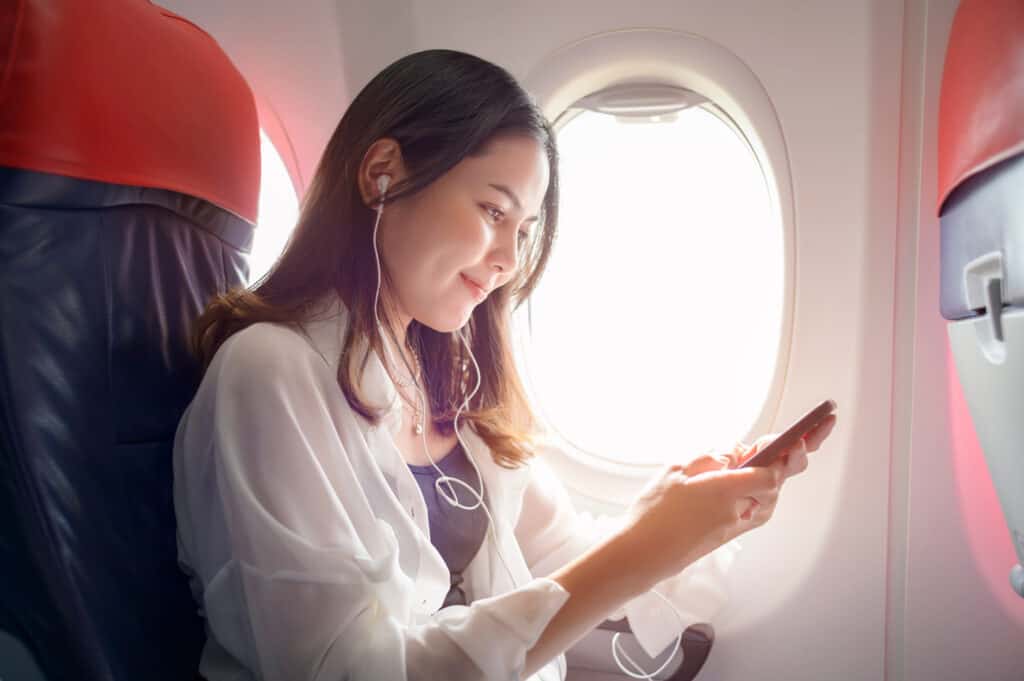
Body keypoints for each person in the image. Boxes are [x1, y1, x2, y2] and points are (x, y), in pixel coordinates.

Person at [172, 48, 836, 681]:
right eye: (493, 210)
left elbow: (563, 552)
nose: (511, 261)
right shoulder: (267, 373)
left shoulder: (444, 377)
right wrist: (645, 548)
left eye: (522, 230)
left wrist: (687, 516)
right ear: (383, 175)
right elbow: (346, 669)